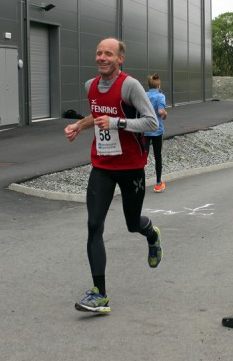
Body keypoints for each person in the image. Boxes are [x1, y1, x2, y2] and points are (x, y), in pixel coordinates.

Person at [64, 38, 163, 314]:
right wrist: (79, 126)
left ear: (120, 59)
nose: (102, 57)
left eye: (109, 53)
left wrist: (118, 123)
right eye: (98, 53)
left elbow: (151, 122)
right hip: (103, 166)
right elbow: (97, 115)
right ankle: (100, 294)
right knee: (94, 226)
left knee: (132, 224)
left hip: (131, 167)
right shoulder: (90, 86)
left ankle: (151, 233)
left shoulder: (130, 86)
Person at [144, 73, 168, 193]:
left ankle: (139, 182)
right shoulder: (160, 96)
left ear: (149, 85)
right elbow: (160, 111)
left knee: (143, 156)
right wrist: (165, 114)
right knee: (158, 156)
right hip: (157, 130)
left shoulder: (144, 95)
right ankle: (158, 183)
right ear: (158, 85)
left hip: (144, 129)